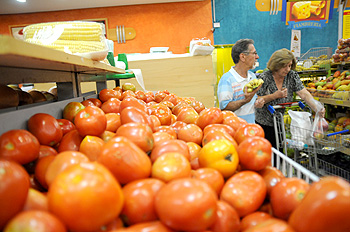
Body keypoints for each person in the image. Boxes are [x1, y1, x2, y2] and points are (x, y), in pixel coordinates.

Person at [255, 48, 325, 148]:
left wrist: (317, 108)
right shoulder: (264, 77)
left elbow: (304, 93)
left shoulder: (292, 76)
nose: (288, 69)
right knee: (267, 154)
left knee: (280, 153)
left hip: (279, 122)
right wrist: (275, 96)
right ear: (276, 65)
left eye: (289, 65)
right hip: (264, 124)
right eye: (284, 66)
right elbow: (257, 99)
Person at [217, 39, 265, 123]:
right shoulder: (227, 79)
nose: (257, 57)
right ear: (243, 57)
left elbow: (254, 98)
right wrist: (245, 100)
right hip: (236, 131)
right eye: (254, 53)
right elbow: (224, 108)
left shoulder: (252, 76)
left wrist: (259, 101)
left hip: (252, 128)